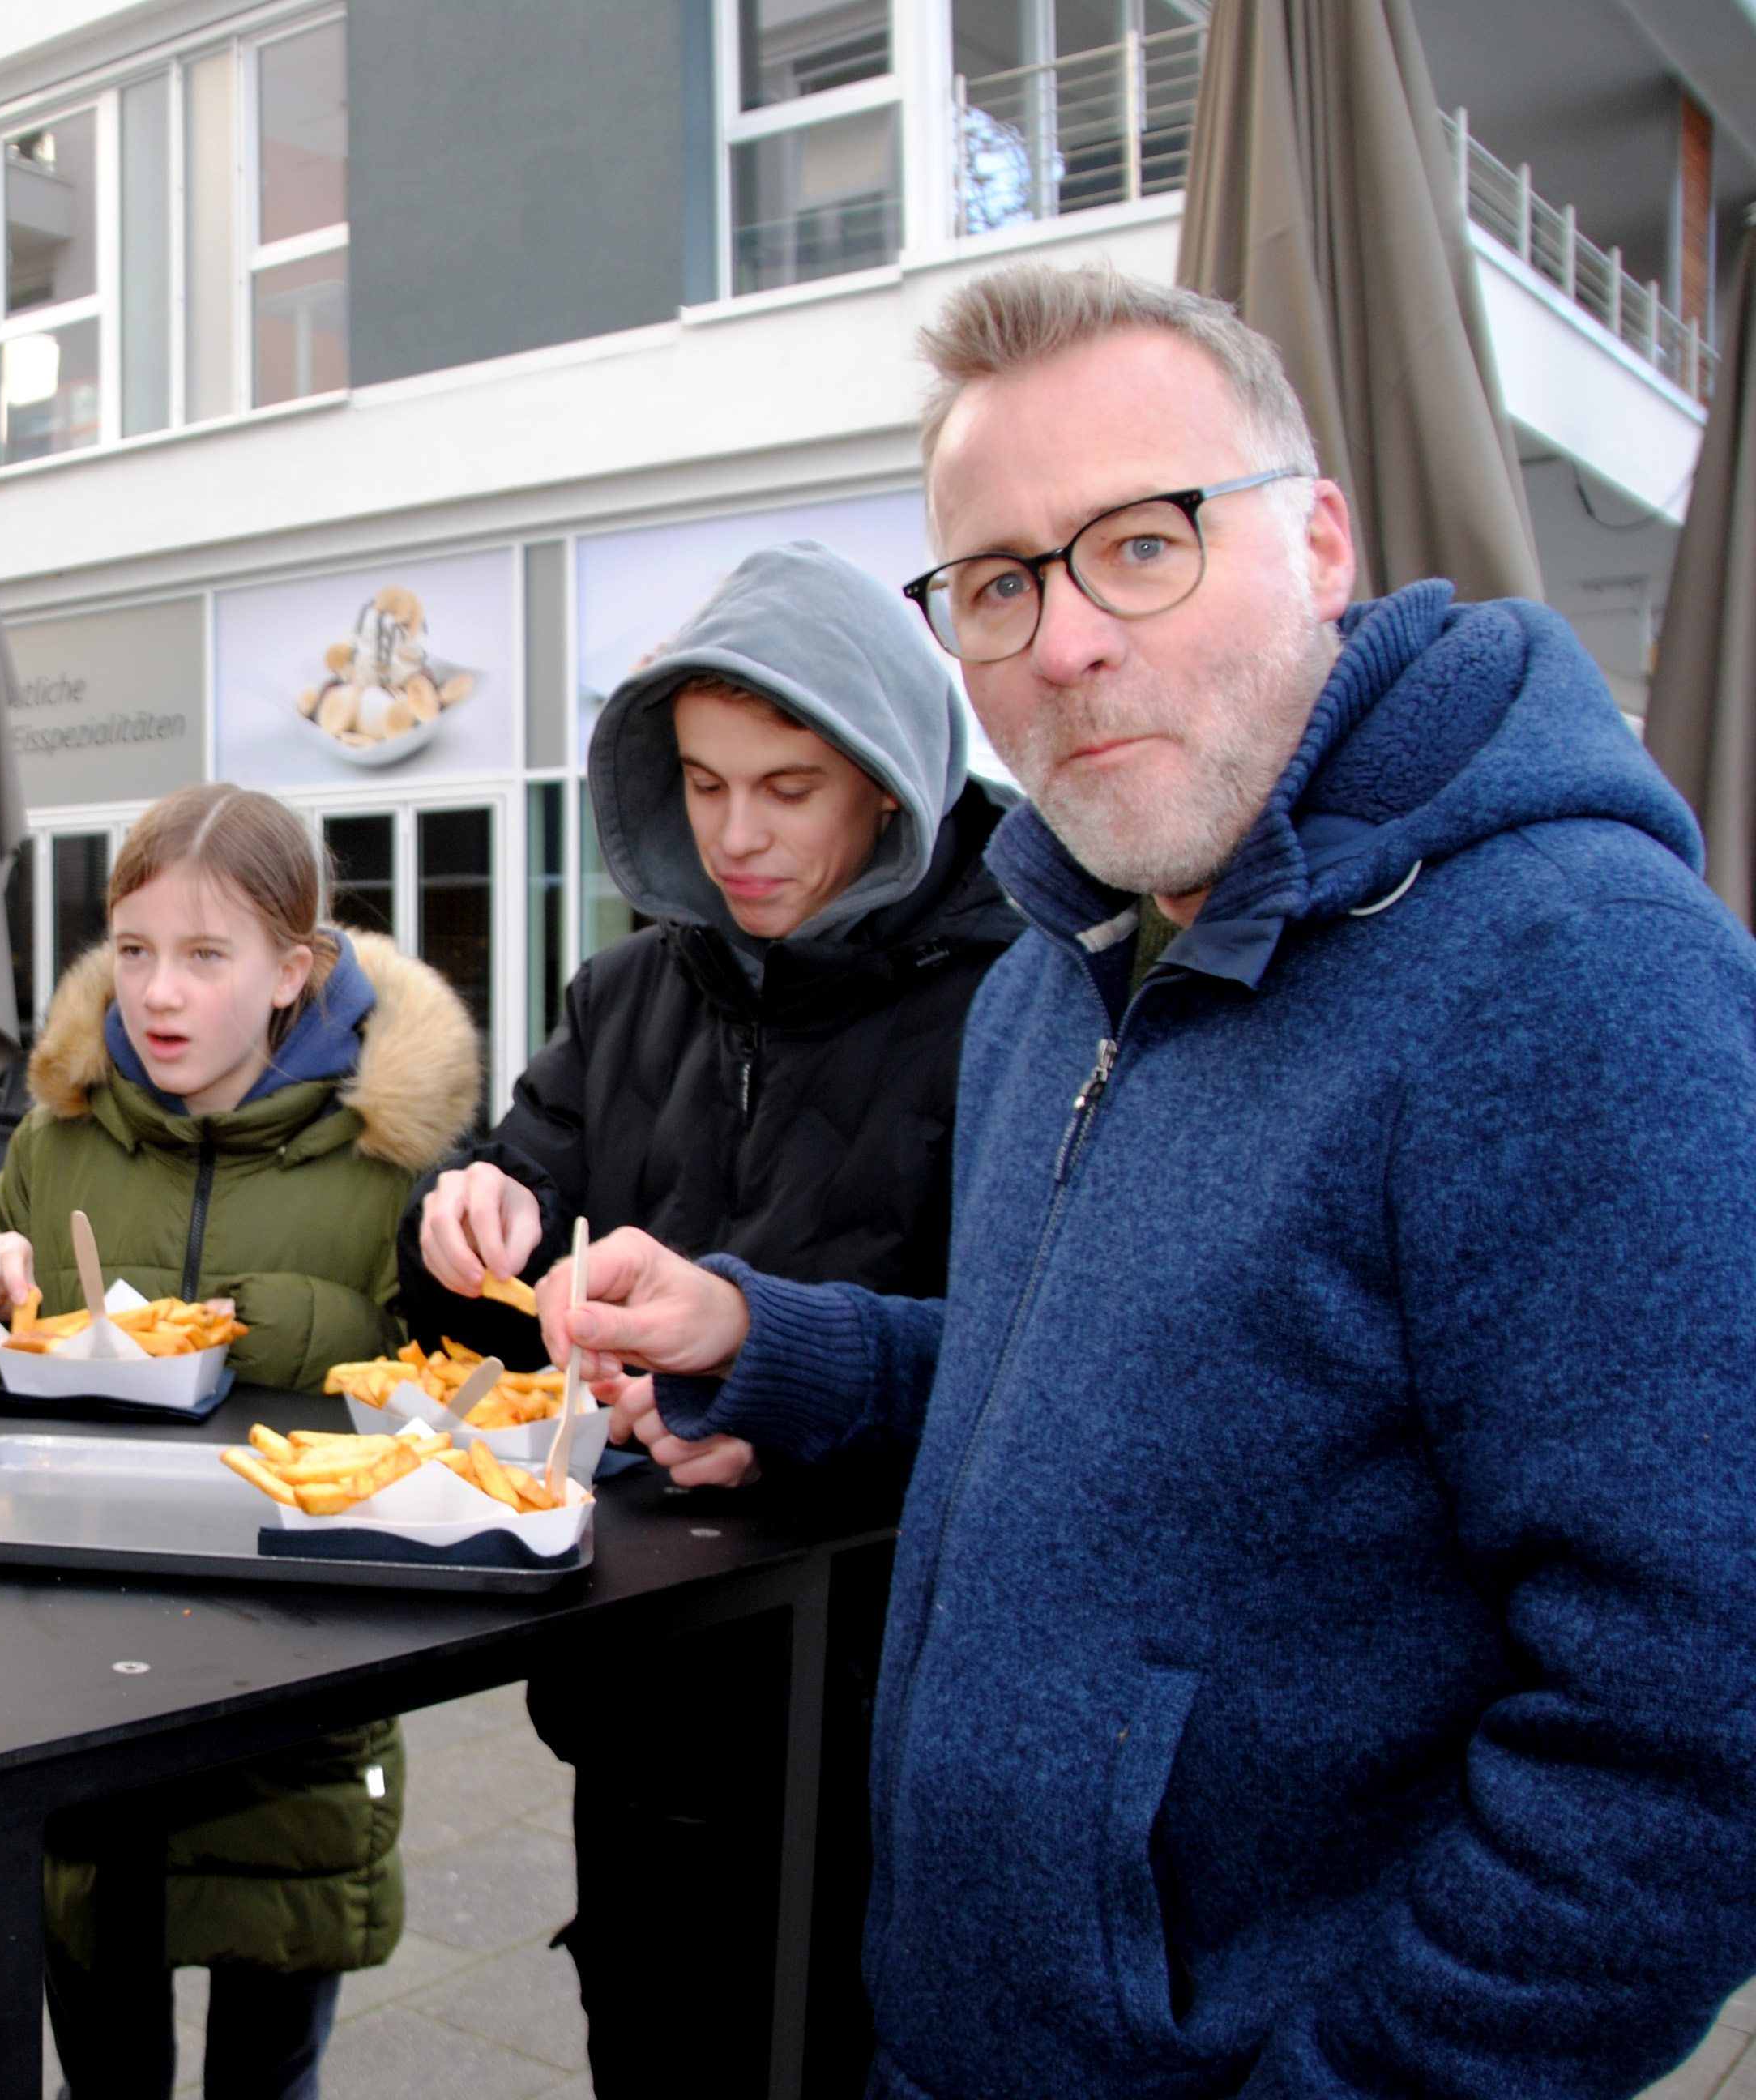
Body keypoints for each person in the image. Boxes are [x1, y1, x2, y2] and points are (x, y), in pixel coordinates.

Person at [545, 263, 1756, 2096]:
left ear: (1319, 542)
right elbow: (1093, 1402)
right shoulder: (1057, 969)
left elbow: (1692, 1721)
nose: (1065, 643)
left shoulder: (1576, 970)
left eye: (1140, 544)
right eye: (999, 585)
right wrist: (776, 1344)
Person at [395, 541, 1019, 2094]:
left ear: (888, 778)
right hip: (642, 1689)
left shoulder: (1025, 995)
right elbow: (480, 1304)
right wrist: (459, 1223)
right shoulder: (625, 994)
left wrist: (781, 1407)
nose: (735, 834)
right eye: (699, 780)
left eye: (788, 786)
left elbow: (1042, 1361)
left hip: (887, 1718)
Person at [0, 783, 480, 2100]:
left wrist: (269, 1326)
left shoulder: (391, 1164)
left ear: (293, 971)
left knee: (268, 2082)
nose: (158, 993)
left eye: (208, 956)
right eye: (138, 950)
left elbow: (446, 1394)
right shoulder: (53, 1145)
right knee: (104, 2075)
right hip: (69, 1688)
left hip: (297, 1709)